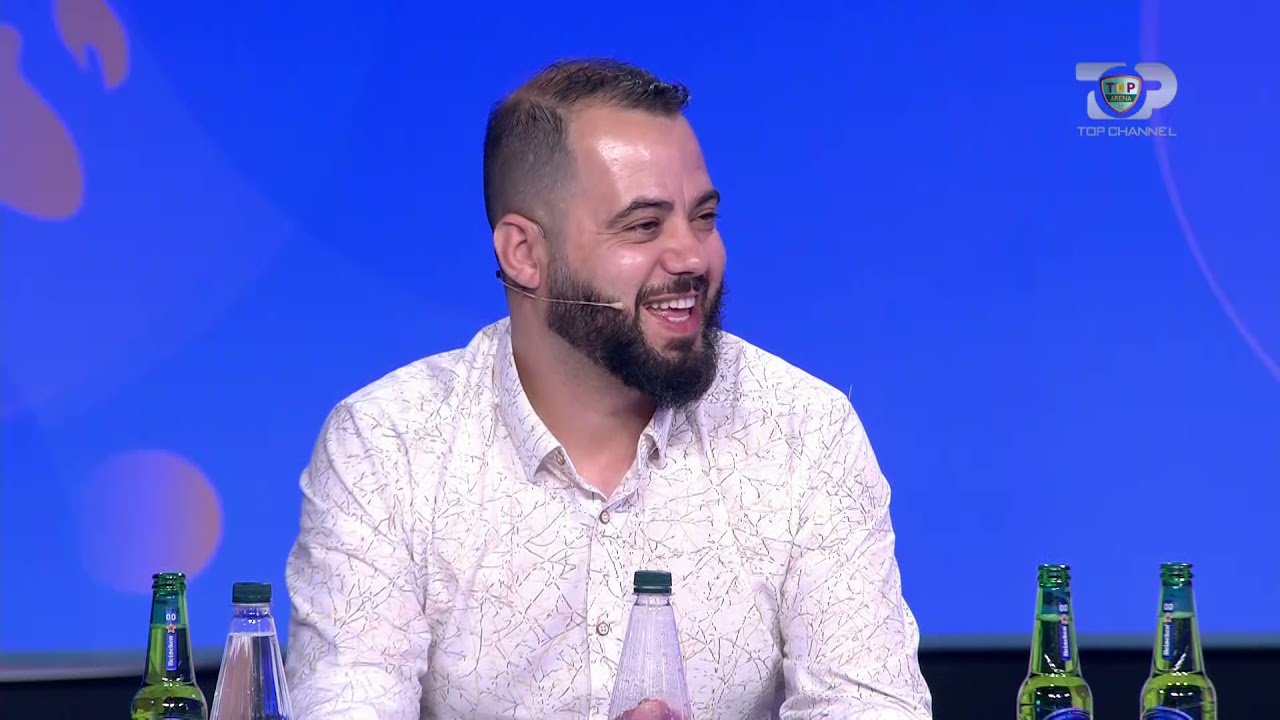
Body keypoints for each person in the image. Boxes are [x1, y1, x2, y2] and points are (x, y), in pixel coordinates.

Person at [284, 57, 933, 720]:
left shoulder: (805, 431)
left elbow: (871, 707)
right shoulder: (387, 447)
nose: (693, 257)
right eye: (644, 226)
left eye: (704, 218)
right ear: (524, 254)